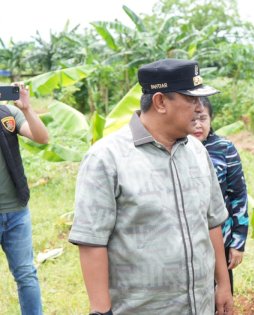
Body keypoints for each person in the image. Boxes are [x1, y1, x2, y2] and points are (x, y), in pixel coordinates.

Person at [68, 59, 233, 315]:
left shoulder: (198, 151)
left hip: (200, 306)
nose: (200, 108)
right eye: (192, 100)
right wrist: (101, 311)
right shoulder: (106, 158)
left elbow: (211, 222)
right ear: (160, 102)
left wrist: (223, 284)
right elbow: (92, 241)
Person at [192, 95, 248, 293]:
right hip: (188, 244)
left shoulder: (224, 148)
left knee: (221, 297)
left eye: (203, 118)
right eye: (192, 119)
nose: (198, 125)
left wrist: (238, 242)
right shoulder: (176, 149)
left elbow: (238, 196)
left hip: (220, 241)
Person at [0, 82, 48, 315]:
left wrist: (27, 109)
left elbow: (42, 137)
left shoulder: (9, 114)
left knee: (26, 274)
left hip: (17, 211)